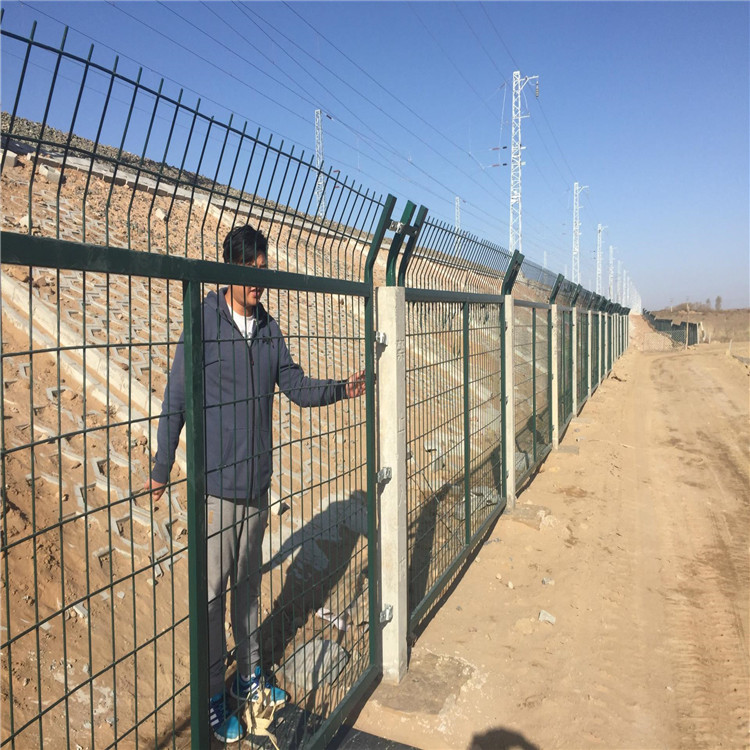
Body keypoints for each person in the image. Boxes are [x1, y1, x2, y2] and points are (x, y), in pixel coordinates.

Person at [146, 224, 365, 743]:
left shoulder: (268, 329)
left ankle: (248, 678)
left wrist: (342, 388)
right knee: (211, 596)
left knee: (247, 590)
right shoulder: (203, 322)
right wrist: (161, 464)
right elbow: (176, 397)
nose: (257, 282)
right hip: (216, 488)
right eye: (248, 272)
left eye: (262, 271)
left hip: (256, 484)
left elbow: (295, 384)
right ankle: (211, 699)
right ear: (229, 270)